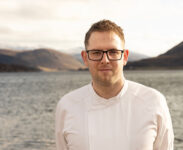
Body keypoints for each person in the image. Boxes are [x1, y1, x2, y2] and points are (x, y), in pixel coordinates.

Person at [55, 19, 174, 150]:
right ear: (85, 58)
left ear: (125, 56)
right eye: (96, 53)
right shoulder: (67, 105)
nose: (105, 60)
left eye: (113, 52)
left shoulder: (153, 102)